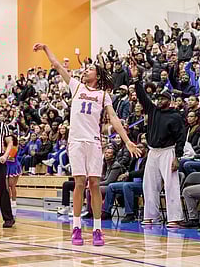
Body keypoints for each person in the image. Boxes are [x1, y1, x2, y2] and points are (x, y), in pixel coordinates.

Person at [33, 42, 139, 247]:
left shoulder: (103, 95)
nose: (85, 70)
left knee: (94, 185)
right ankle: (76, 227)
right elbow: (56, 64)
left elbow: (115, 119)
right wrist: (46, 48)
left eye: (89, 68)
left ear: (97, 76)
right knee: (79, 183)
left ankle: (98, 229)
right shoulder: (76, 86)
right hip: (76, 141)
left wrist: (127, 141)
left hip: (93, 142)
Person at [131, 62, 186, 227]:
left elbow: (181, 137)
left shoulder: (175, 116)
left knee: (171, 184)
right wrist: (136, 80)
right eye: (159, 98)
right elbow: (142, 96)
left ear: (169, 101)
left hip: (169, 151)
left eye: (163, 98)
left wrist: (178, 156)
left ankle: (175, 217)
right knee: (149, 184)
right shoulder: (153, 111)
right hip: (153, 152)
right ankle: (151, 216)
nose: (159, 100)